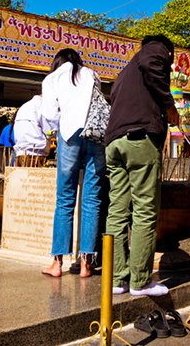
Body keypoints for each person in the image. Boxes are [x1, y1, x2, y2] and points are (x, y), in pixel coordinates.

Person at [105, 35, 179, 297]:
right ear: (168, 52)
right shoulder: (155, 50)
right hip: (139, 140)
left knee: (117, 212)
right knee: (145, 211)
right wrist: (169, 105)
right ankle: (140, 281)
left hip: (114, 144)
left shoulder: (124, 72)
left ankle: (116, 279)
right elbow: (152, 64)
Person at [41, 49, 106, 278]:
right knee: (92, 198)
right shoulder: (92, 74)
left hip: (69, 135)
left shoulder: (52, 78)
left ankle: (57, 264)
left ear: (58, 62)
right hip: (96, 137)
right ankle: (87, 264)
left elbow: (48, 116)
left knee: (65, 198)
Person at [13, 96, 50, 166]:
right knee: (35, 176)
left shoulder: (24, 107)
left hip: (21, 153)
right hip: (35, 155)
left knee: (22, 176)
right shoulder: (42, 106)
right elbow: (48, 131)